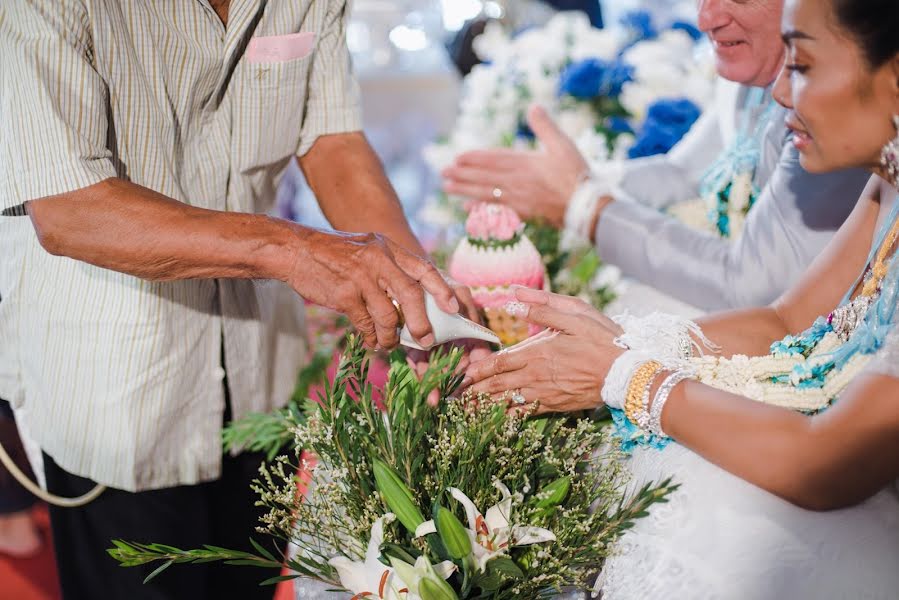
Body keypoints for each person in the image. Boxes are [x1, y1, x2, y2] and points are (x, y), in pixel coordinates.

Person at [0, 1, 476, 599]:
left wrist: (421, 301)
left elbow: (332, 140)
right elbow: (70, 211)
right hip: (117, 377)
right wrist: (297, 251)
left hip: (262, 368)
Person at [464, 0, 899, 596]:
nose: (779, 95)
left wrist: (625, 376)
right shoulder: (888, 179)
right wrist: (612, 343)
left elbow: (826, 467)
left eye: (801, 65)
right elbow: (788, 316)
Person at [442, 0, 871, 311]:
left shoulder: (830, 114)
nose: (706, 18)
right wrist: (564, 178)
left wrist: (583, 206)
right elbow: (683, 173)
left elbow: (751, 287)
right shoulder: (750, 74)